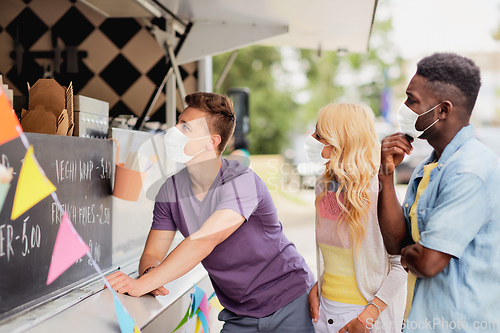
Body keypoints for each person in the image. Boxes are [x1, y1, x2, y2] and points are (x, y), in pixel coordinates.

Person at [106, 92, 315, 332]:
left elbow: (204, 240)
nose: (174, 131)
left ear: (211, 141)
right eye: (177, 123)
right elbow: (152, 253)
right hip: (239, 314)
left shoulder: (241, 181)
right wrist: (151, 276)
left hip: (291, 303)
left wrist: (140, 285)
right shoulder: (169, 190)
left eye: (185, 128)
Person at [378, 53, 500, 332]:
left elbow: (429, 262)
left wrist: (414, 253)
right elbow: (397, 245)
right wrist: (385, 174)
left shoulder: (469, 170)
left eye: (412, 100)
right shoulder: (429, 166)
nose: (404, 108)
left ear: (442, 110)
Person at [306, 103, 407, 333]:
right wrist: (319, 285)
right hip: (323, 314)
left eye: (320, 134)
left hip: (363, 318)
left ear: (342, 139)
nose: (312, 139)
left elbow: (401, 264)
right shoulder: (323, 186)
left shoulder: (379, 191)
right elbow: (339, 257)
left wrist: (367, 318)